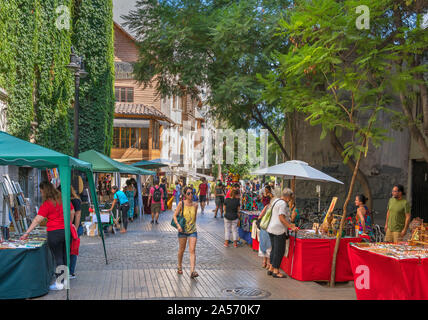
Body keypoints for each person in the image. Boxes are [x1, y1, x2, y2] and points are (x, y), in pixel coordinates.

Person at [20, 181, 75, 291]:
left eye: (41, 191)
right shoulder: (64, 199)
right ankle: (64, 281)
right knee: (64, 256)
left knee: (58, 257)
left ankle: (60, 284)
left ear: (45, 191)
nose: (41, 194)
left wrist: (27, 233)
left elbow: (37, 220)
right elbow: (72, 212)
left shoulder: (47, 204)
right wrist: (68, 224)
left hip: (54, 232)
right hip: (66, 231)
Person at [266, 188, 298, 278]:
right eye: (291, 197)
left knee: (274, 249)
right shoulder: (283, 204)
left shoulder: (276, 201)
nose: (291, 199)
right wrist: (291, 226)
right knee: (279, 251)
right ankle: (276, 271)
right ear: (288, 197)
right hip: (278, 230)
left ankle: (271, 268)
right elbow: (281, 218)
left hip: (271, 228)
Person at [173, 186, 199, 279]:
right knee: (182, 250)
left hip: (192, 230)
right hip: (183, 230)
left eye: (192, 193)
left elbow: (195, 217)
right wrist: (178, 226)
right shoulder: (181, 204)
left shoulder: (195, 205)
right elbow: (175, 216)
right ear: (185, 194)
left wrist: (193, 226)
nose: (191, 195)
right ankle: (179, 265)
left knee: (192, 250)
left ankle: (192, 271)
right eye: (188, 193)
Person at [257, 186, 273, 270]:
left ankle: (264, 262)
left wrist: (261, 220)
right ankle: (269, 263)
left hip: (264, 228)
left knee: (263, 244)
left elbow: (260, 216)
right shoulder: (273, 207)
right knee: (269, 246)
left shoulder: (266, 207)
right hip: (270, 228)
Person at [69, 185, 82, 279]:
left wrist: (75, 229)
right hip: (72, 228)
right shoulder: (74, 200)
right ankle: (69, 271)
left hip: (74, 228)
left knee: (72, 250)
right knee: (71, 250)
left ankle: (71, 272)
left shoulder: (75, 200)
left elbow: (77, 215)